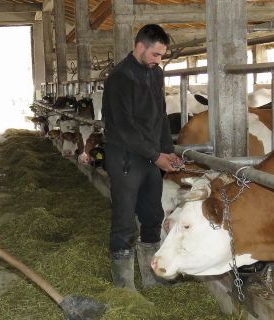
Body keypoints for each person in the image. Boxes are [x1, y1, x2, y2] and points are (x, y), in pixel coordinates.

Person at [102, 24, 181, 290]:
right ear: (139, 47)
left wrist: (167, 149)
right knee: (124, 221)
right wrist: (155, 155)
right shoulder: (119, 79)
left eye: (161, 56)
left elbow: (159, 115)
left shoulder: (155, 74)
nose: (159, 60)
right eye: (156, 54)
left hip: (150, 156)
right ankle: (124, 288)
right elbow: (124, 129)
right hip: (124, 157)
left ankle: (151, 279)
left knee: (152, 215)